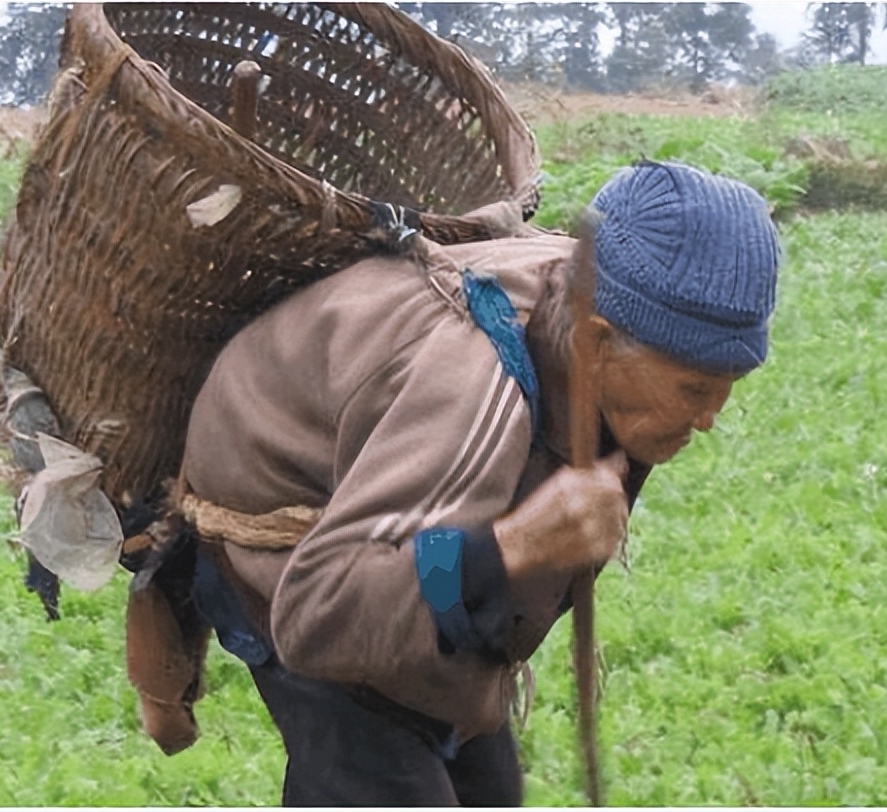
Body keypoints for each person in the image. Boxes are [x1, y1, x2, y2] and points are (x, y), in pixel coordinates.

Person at [175, 160, 781, 806]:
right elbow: (321, 609)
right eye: (694, 390)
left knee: (488, 788)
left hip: (402, 524)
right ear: (596, 346)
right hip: (294, 533)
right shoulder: (472, 395)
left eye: (727, 388)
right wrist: (511, 548)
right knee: (383, 776)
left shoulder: (616, 310)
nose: (710, 418)